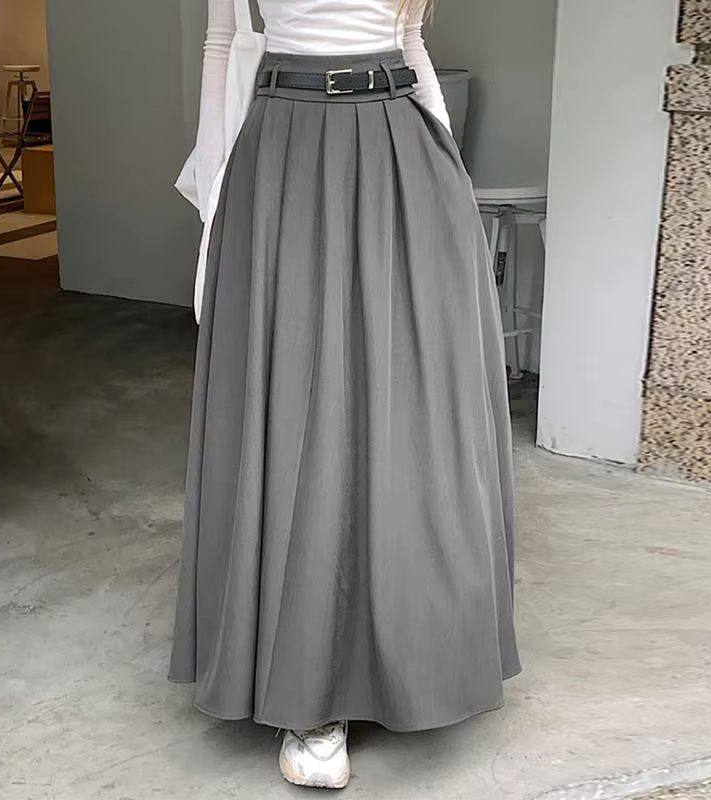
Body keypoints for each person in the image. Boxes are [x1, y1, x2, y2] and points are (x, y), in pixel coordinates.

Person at [169, 0, 520, 789]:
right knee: (299, 407)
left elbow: (410, 37)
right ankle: (310, 692)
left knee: (414, 411)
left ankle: (420, 651)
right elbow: (223, 38)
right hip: (282, 147)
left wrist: (451, 176)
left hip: (404, 148)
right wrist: (218, 200)